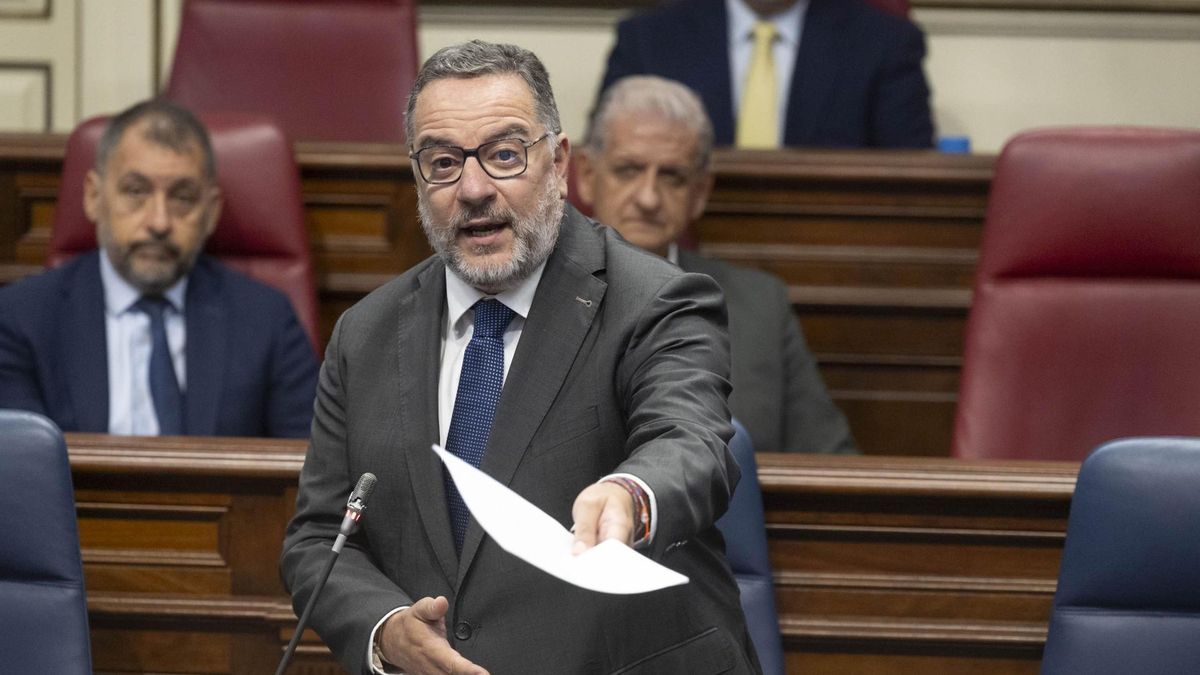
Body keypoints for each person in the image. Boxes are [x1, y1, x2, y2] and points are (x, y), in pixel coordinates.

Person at [280, 40, 759, 675]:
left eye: (504, 155)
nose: (474, 189)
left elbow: (691, 441)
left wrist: (631, 493)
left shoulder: (655, 300)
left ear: (559, 163)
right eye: (444, 162)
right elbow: (318, 539)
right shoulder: (364, 334)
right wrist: (386, 629)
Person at [0, 99, 318, 438]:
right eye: (136, 191)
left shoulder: (266, 319)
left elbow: (309, 467)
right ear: (94, 197)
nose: (159, 222)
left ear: (210, 212)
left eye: (182, 197)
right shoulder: (21, 319)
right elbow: (23, 474)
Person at [576, 75, 856, 455]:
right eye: (628, 170)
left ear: (699, 194)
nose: (648, 198)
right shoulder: (539, 292)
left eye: (671, 177)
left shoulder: (760, 306)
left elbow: (831, 463)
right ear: (588, 176)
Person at [599, 0, 934, 149]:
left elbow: (910, 176)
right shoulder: (648, 39)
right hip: (672, 262)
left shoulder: (884, 43)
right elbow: (604, 160)